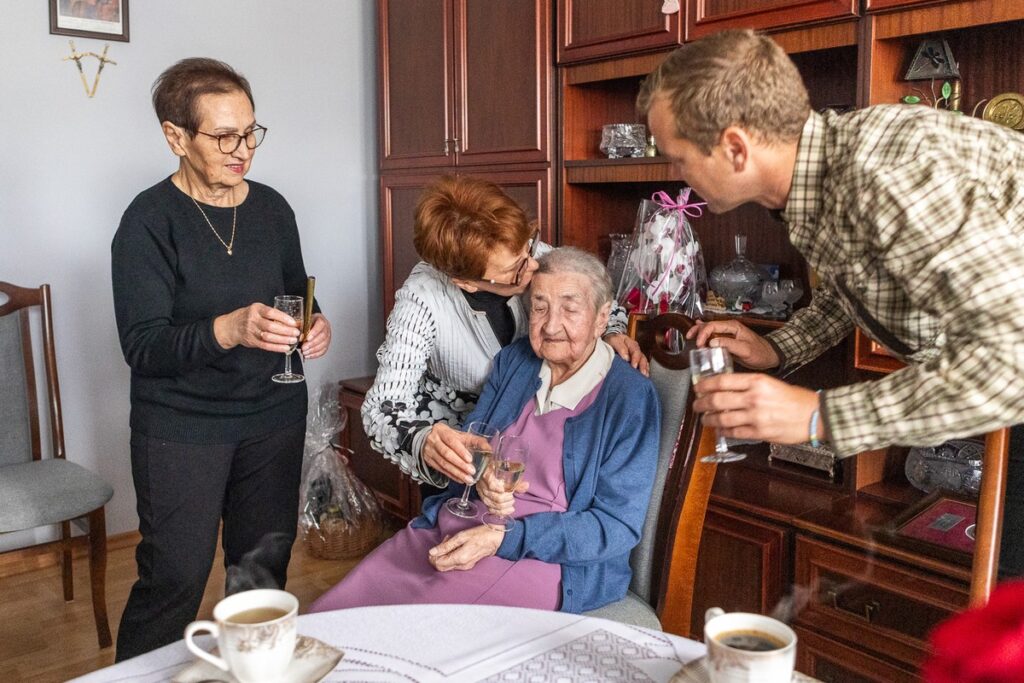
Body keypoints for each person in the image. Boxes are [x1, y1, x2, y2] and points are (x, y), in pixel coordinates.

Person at [638, 30, 1024, 571]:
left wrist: (820, 416)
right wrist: (778, 351)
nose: (674, 175)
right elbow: (864, 285)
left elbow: (1006, 366)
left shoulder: (886, 178)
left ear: (734, 147)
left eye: (678, 158)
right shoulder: (820, 181)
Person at [111, 57, 332, 660]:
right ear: (175, 137)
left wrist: (315, 325)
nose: (243, 151)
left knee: (261, 571)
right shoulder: (147, 222)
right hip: (182, 426)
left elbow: (300, 294)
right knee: (173, 580)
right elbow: (144, 346)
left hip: (273, 416)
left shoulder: (272, 209)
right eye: (224, 135)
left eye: (251, 132)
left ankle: (252, 671)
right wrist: (227, 329)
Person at [311, 247, 660, 614]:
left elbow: (616, 527)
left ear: (603, 317)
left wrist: (504, 537)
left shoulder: (629, 396)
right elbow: (476, 445)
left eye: (570, 309)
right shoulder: (516, 363)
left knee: (407, 629)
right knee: (335, 611)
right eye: (539, 307)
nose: (551, 324)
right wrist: (477, 474)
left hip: (546, 559)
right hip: (461, 524)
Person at [362, 175, 647, 494]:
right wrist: (424, 441)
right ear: (465, 282)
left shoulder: (530, 255)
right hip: (462, 448)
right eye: (514, 272)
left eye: (528, 250)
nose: (532, 269)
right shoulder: (422, 299)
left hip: (540, 432)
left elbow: (596, 295)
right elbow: (382, 407)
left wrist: (610, 330)